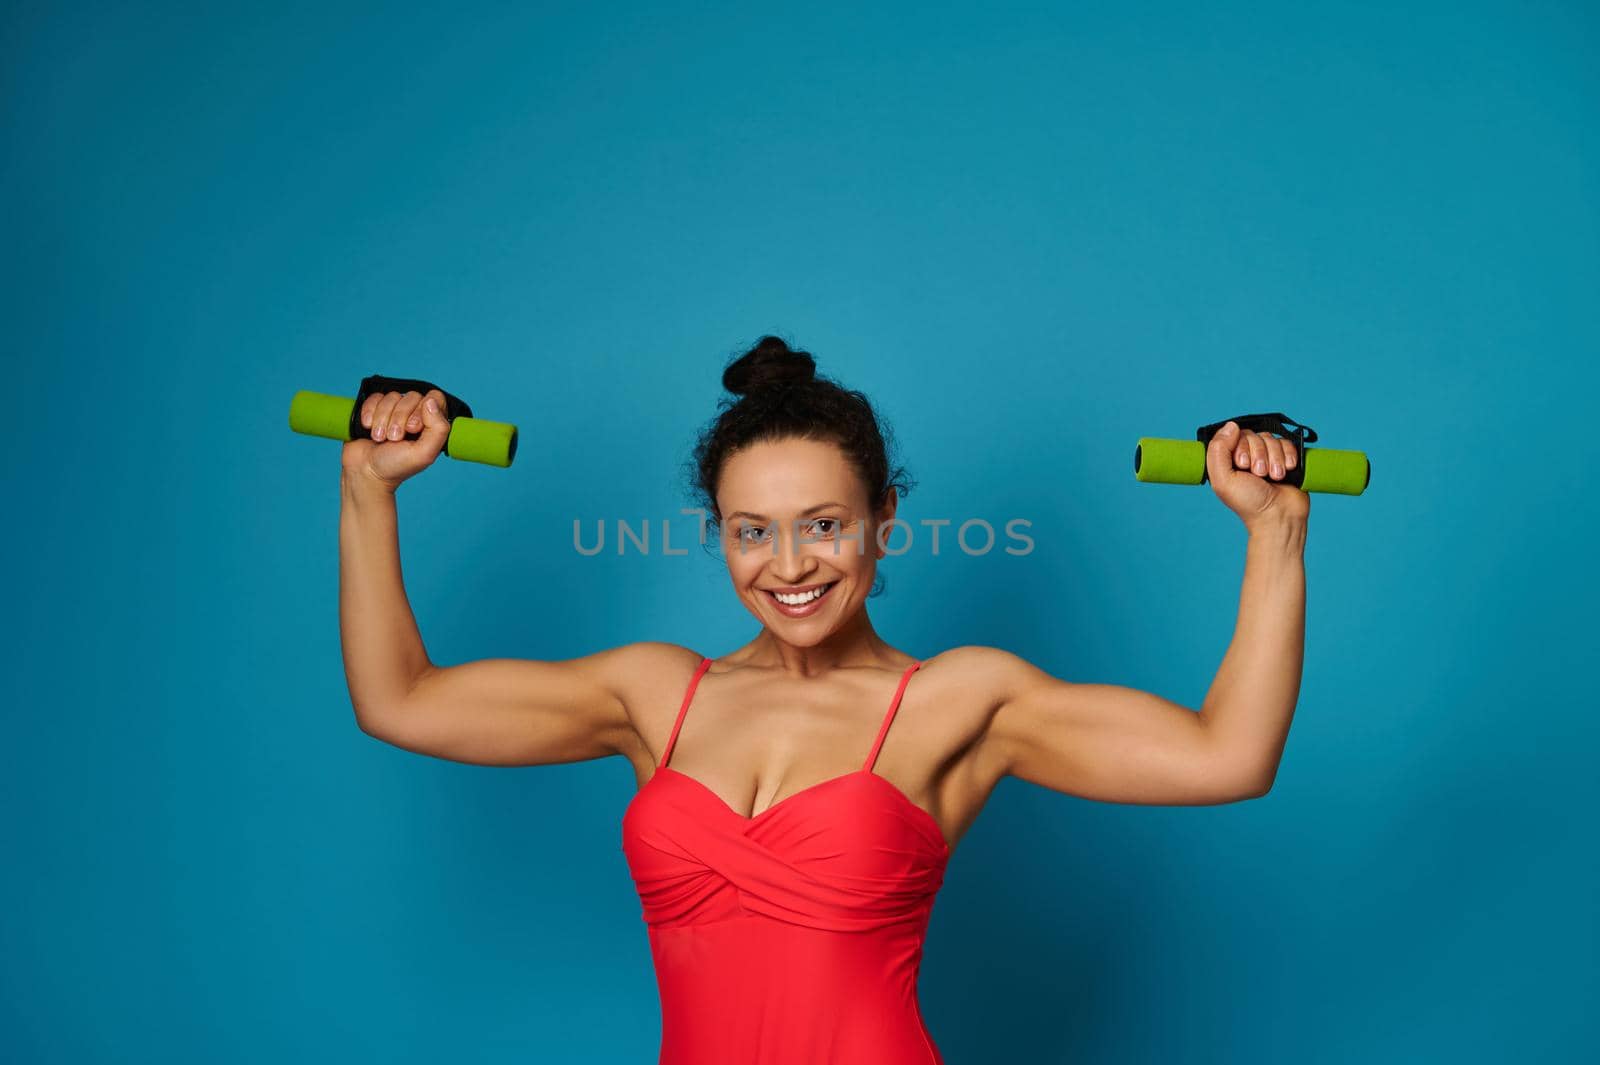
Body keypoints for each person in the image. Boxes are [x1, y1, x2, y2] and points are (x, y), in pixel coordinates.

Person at [337, 335, 1310, 1064]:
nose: (789, 565)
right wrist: (368, 490)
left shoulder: (958, 701)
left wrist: (1274, 534)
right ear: (716, 532)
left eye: (825, 525)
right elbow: (401, 700)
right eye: (751, 530)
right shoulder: (654, 693)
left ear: (884, 521)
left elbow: (1227, 756)